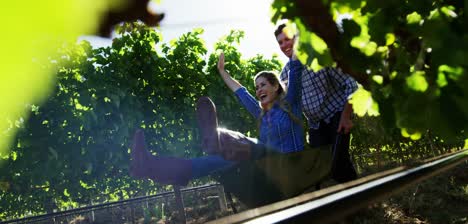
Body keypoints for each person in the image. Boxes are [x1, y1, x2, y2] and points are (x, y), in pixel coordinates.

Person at [130, 51, 304, 187]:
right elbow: (241, 92)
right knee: (216, 160)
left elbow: (295, 71)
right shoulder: (262, 114)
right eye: (256, 87)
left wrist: (297, 40)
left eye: (263, 85)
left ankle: (217, 137)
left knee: (248, 145)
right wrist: (222, 71)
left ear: (275, 86)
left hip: (290, 164)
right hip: (268, 168)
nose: (258, 90)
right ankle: (149, 166)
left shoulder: (290, 105)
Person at [275, 23, 358, 183]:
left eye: (287, 39)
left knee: (338, 161)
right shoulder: (285, 73)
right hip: (315, 124)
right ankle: (355, 200)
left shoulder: (320, 58)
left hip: (337, 113)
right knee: (325, 167)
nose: (284, 45)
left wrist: (346, 116)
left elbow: (350, 84)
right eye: (280, 42)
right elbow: (283, 108)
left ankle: (359, 202)